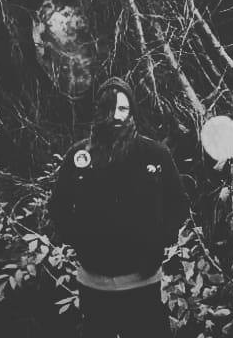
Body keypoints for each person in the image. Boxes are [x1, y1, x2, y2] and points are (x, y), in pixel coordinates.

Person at [48, 77, 189, 338]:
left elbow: (179, 204)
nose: (116, 116)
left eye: (123, 108)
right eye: (109, 108)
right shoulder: (80, 156)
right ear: (99, 111)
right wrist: (81, 242)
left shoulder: (154, 154)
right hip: (95, 285)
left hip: (144, 283)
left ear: (132, 111)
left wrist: (158, 241)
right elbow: (58, 207)